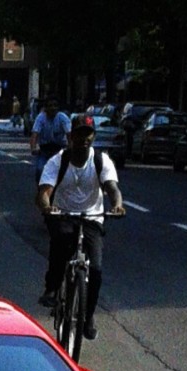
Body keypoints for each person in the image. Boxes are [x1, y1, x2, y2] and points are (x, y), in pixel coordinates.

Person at [35, 112, 125, 340]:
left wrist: (117, 205)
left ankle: (88, 315)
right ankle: (53, 288)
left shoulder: (101, 161)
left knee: (95, 270)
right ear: (70, 136)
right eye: (79, 134)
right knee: (61, 243)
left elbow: (112, 188)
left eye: (88, 133)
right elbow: (44, 191)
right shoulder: (58, 161)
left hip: (92, 217)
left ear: (93, 136)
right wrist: (47, 207)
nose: (84, 139)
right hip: (63, 215)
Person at [30, 95, 70, 182]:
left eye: (55, 105)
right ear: (45, 108)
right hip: (44, 150)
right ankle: (40, 190)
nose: (53, 108)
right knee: (40, 170)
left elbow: (69, 134)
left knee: (66, 172)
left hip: (59, 150)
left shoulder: (62, 117)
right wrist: (33, 148)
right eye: (50, 106)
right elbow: (34, 134)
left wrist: (71, 148)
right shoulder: (41, 117)